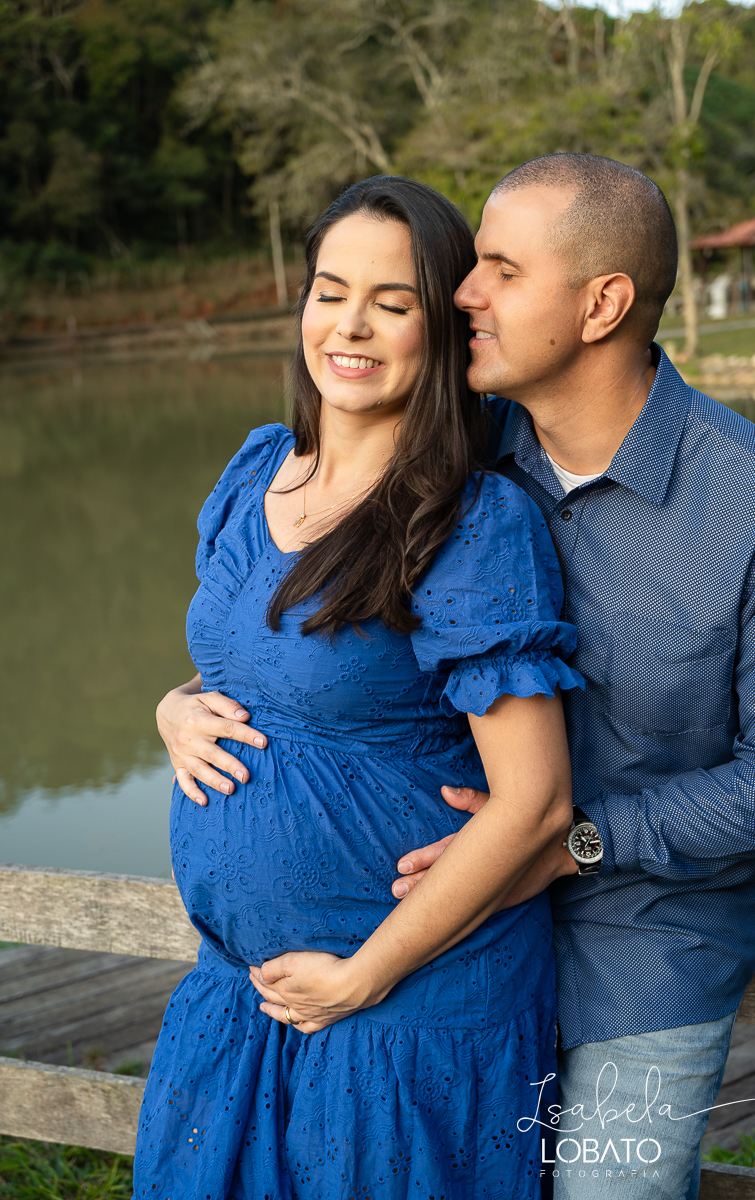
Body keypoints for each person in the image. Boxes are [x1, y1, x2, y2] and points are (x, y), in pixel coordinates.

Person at [160, 155, 755, 1200]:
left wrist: (571, 840)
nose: (463, 293)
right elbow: (318, 642)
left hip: (647, 939)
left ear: (602, 304)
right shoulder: (462, 445)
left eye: (500, 270)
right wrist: (178, 702)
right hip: (433, 914)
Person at [135, 175, 583, 1199]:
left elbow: (537, 802)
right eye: (331, 293)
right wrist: (172, 705)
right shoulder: (259, 469)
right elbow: (265, 661)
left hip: (402, 1009)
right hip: (241, 995)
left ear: (444, 330)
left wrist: (364, 974)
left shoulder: (472, 523)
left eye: (392, 303)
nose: (350, 326)